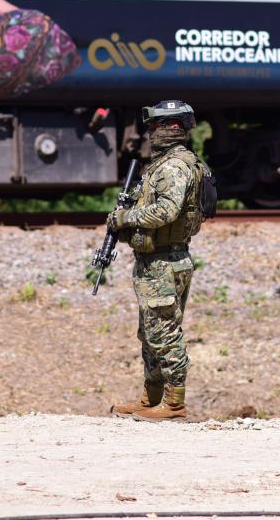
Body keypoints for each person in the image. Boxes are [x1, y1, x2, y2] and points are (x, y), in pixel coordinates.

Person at [106, 100, 210, 422]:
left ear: (172, 128)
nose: (150, 133)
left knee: (164, 334)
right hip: (156, 262)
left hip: (165, 263)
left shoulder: (175, 167)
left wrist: (124, 218)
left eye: (155, 127)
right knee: (150, 332)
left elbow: (166, 211)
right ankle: (151, 398)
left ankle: (174, 404)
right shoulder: (169, 164)